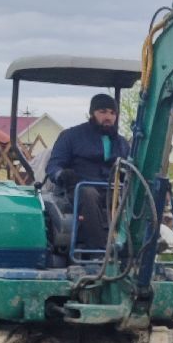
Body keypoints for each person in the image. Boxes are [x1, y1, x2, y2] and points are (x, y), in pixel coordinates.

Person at [46, 93, 128, 251]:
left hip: (112, 189)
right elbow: (54, 166)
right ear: (92, 113)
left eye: (112, 113)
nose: (108, 117)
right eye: (103, 112)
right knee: (88, 193)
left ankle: (145, 243)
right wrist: (62, 174)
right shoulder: (71, 136)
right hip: (79, 188)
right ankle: (98, 251)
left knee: (139, 193)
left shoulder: (121, 143)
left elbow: (131, 169)